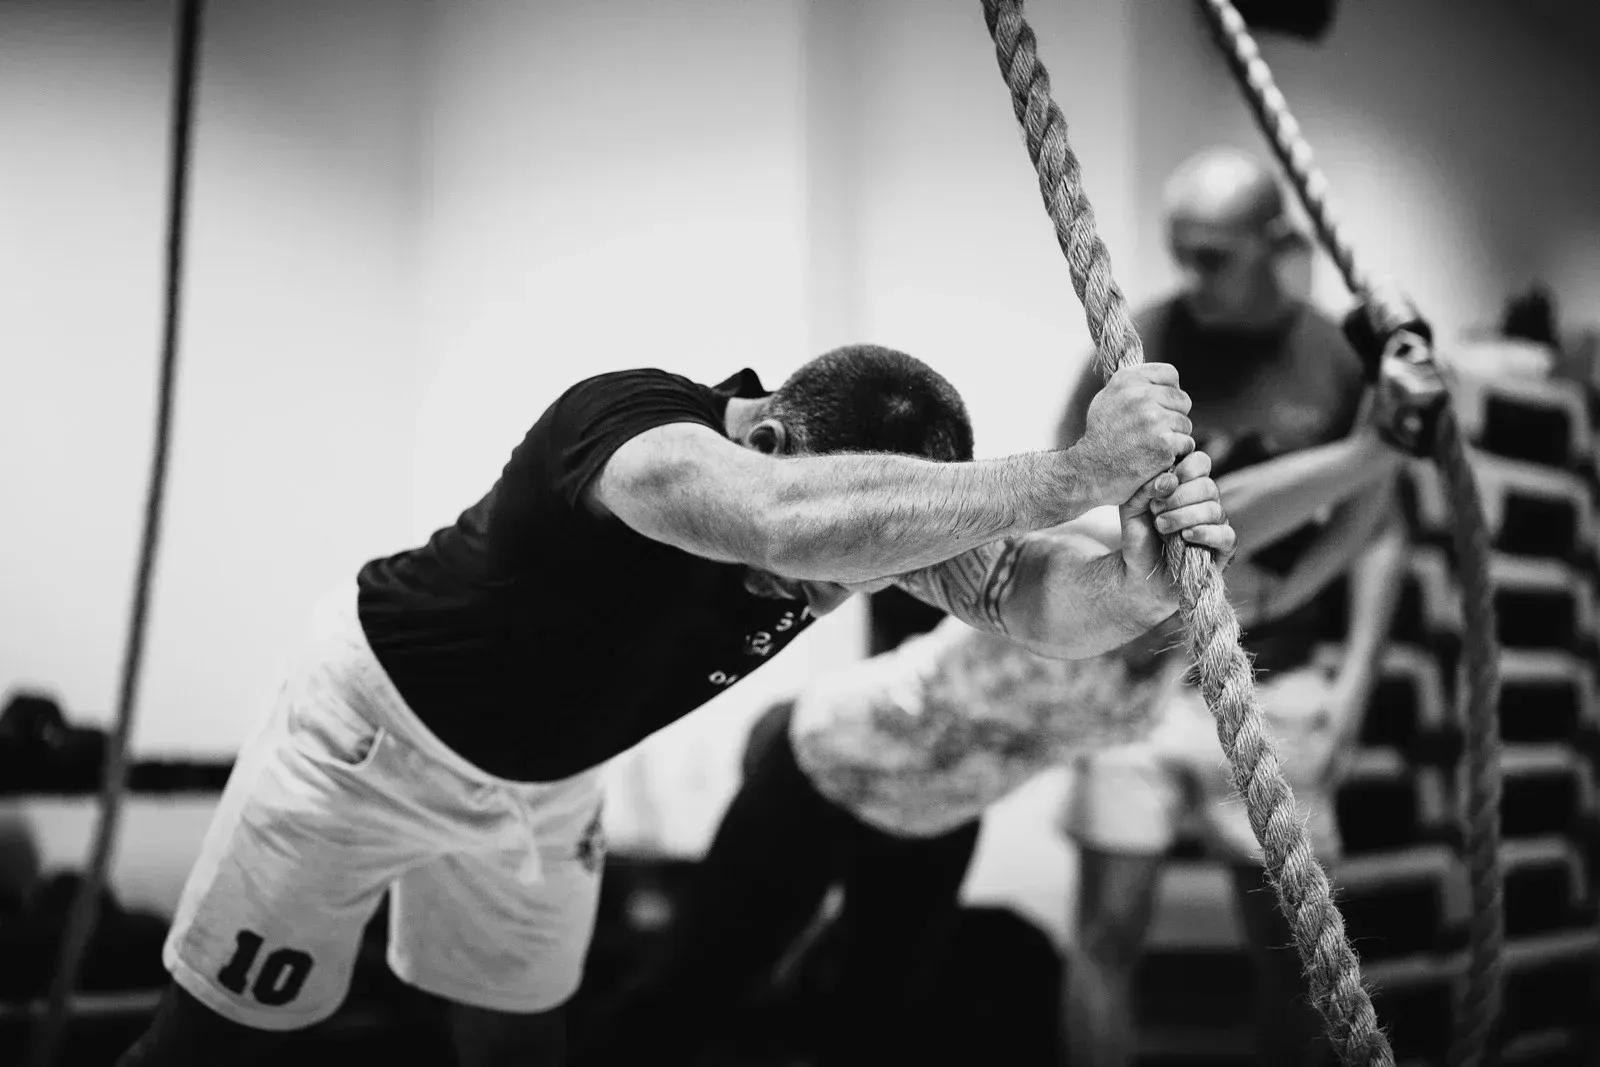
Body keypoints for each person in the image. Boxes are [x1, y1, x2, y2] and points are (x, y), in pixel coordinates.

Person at [115, 343, 1230, 1067]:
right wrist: (1076, 469)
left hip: (543, 784)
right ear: (770, 437)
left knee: (519, 1045)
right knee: (214, 1042)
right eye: (842, 560)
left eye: (865, 568)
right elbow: (784, 523)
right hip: (368, 734)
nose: (836, 587)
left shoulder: (861, 523)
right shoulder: (631, 431)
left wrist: (1134, 582)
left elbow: (1034, 601)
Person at [568, 419, 1408, 1067]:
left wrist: (1388, 450)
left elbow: (1312, 566)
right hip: (827, 767)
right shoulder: (1092, 563)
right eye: (1240, 561)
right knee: (697, 985)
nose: (1256, 585)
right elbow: (1245, 513)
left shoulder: (1190, 633)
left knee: (876, 1029)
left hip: (938, 813)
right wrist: (1362, 449)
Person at [1055, 149, 1409, 1067]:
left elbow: (1379, 532)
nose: (1192, 278)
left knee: (1295, 962)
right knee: (1105, 931)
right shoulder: (1138, 348)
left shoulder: (1330, 356)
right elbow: (1077, 498)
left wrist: (1354, 686)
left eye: (1213, 256)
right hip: (1142, 686)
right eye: (1181, 253)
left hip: (1281, 687)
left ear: (1274, 244)